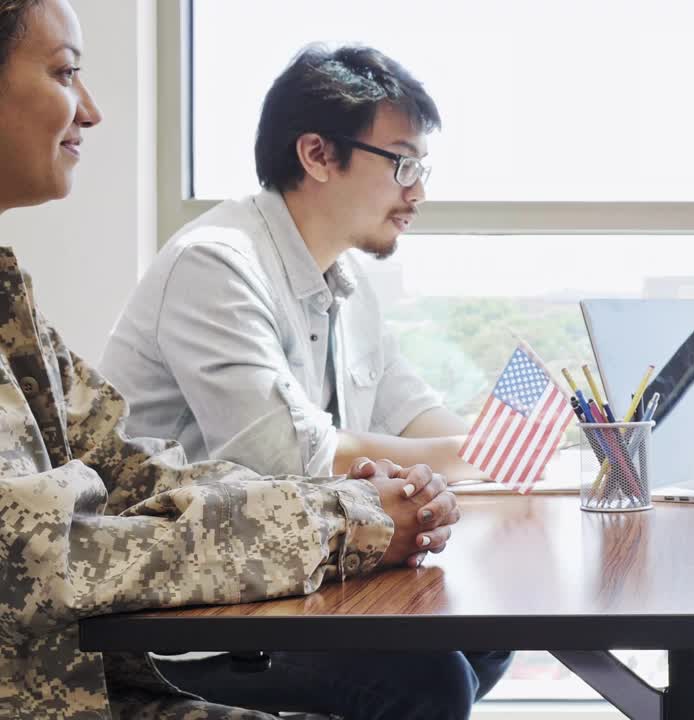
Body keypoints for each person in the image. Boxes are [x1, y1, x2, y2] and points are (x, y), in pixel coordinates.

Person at [0, 1, 470, 718]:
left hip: (97, 662)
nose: (91, 112)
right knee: (429, 676)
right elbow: (39, 557)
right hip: (112, 663)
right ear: (316, 155)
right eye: (66, 73)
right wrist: (358, 514)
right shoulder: (215, 260)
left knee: (459, 645)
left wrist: (377, 498)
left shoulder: (11, 300)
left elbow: (136, 470)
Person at [100, 44, 478, 483]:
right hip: (159, 543)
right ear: (317, 154)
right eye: (403, 164)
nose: (417, 194)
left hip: (273, 541)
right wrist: (470, 457)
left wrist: (503, 457)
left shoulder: (347, 279)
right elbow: (288, 457)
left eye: (420, 169)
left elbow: (410, 413)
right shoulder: (215, 264)